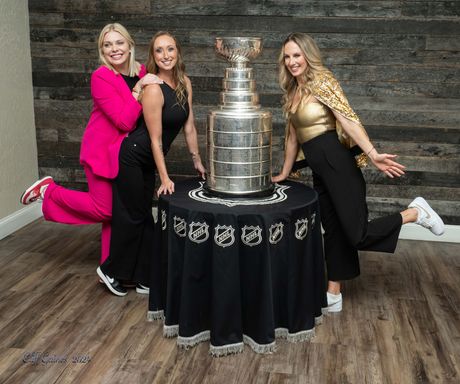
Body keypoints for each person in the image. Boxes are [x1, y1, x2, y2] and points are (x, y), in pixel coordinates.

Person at [272, 33, 445, 313]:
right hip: (320, 169)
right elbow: (293, 138)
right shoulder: (293, 91)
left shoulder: (322, 81)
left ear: (308, 55)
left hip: (336, 162)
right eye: (288, 56)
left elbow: (348, 119)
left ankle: (414, 213)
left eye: (297, 55)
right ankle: (334, 294)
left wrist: (373, 153)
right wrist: (284, 172)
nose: (292, 62)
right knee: (334, 232)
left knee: (356, 234)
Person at [20, 23, 161, 265]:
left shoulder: (140, 71)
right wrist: (138, 90)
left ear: (130, 45)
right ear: (102, 51)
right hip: (101, 153)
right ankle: (49, 191)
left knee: (116, 212)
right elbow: (124, 122)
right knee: (105, 209)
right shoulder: (102, 77)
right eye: (107, 45)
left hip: (127, 155)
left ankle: (110, 266)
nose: (114, 49)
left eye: (119, 43)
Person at [97, 31, 206, 296]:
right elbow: (155, 140)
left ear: (178, 52)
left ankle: (143, 276)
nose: (166, 55)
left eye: (170, 49)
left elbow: (189, 128)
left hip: (146, 158)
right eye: (159, 50)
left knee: (144, 214)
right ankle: (110, 270)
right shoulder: (153, 88)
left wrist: (197, 161)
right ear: (152, 55)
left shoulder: (185, 83)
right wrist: (165, 178)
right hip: (133, 155)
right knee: (134, 216)